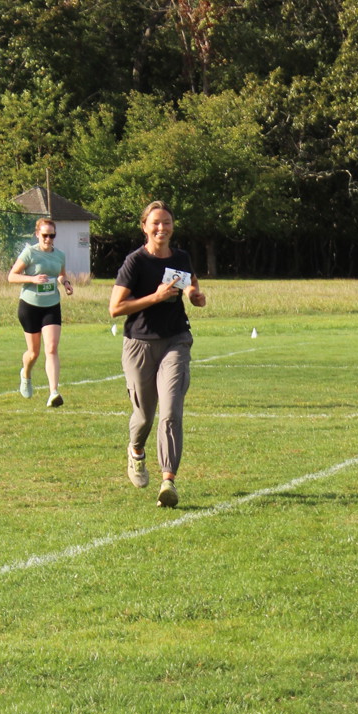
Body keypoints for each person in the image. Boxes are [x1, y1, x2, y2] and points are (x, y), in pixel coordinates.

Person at [109, 201, 206, 507]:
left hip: (176, 340)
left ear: (173, 226)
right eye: (155, 223)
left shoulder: (181, 257)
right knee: (144, 415)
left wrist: (195, 295)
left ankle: (168, 482)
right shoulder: (135, 262)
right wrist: (155, 297)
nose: (161, 228)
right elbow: (115, 308)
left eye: (166, 222)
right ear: (144, 227)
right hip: (139, 344)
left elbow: (189, 284)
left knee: (171, 411)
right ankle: (136, 451)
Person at [8, 217, 73, 407]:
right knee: (34, 353)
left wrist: (66, 283)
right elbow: (11, 276)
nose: (48, 239)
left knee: (51, 348)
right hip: (30, 306)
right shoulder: (30, 253)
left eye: (52, 236)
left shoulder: (59, 255)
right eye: (45, 235)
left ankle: (53, 392)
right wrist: (32, 279)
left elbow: (61, 274)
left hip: (52, 305)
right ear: (37, 234)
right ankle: (26, 374)